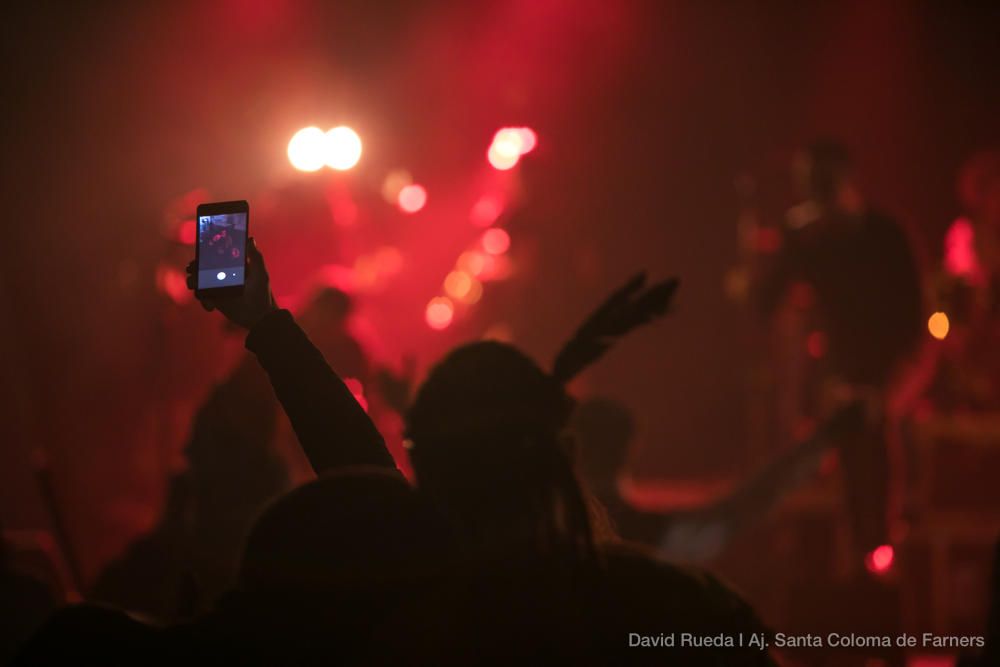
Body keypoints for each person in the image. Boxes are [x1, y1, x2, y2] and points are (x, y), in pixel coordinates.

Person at [186, 241, 776, 664]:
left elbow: (357, 465)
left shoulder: (411, 622)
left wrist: (265, 325)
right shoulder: (685, 613)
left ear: (425, 465)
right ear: (564, 450)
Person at [745, 140, 924, 557]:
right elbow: (765, 305)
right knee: (842, 438)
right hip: (843, 375)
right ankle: (850, 554)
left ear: (845, 182)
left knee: (875, 430)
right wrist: (786, 245)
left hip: (896, 366)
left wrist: (893, 387)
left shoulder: (886, 235)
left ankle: (883, 543)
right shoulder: (812, 242)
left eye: (822, 186)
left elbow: (915, 321)